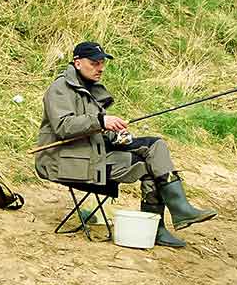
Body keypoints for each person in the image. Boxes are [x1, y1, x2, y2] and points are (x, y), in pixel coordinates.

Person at [34, 41, 217, 248]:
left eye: (102, 63)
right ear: (77, 63)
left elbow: (92, 131)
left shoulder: (88, 88)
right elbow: (63, 126)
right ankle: (172, 217)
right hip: (65, 162)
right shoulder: (60, 88)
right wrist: (102, 121)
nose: (100, 68)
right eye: (94, 63)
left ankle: (168, 220)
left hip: (90, 153)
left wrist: (116, 136)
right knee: (150, 165)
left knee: (155, 146)